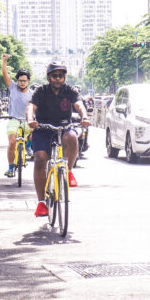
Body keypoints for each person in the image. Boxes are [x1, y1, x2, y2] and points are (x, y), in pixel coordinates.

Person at [27, 61, 90, 217]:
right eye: (54, 76)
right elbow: (30, 107)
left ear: (64, 77)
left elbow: (79, 105)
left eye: (61, 76)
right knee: (40, 159)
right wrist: (30, 120)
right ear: (48, 77)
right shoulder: (40, 91)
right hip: (42, 129)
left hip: (63, 128)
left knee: (73, 136)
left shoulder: (70, 90)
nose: (58, 79)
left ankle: (68, 172)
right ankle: (41, 203)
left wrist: (84, 116)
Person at [2, 54, 34, 178]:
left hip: (27, 121)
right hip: (14, 120)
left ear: (28, 81)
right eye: (20, 80)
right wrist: (4, 61)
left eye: (24, 81)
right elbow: (5, 74)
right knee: (12, 142)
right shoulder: (13, 88)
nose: (22, 83)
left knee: (35, 131)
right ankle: (10, 168)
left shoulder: (32, 94)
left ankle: (29, 147)